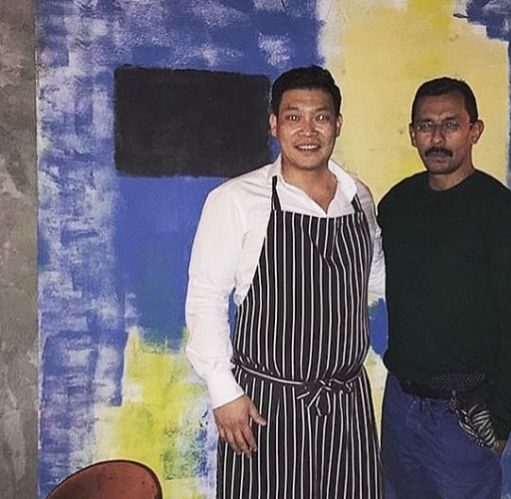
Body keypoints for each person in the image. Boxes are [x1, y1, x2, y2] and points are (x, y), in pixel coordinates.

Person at [185, 66, 384, 499]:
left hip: (347, 405)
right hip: (264, 410)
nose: (308, 131)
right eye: (294, 117)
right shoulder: (236, 200)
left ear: (337, 124)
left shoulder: (359, 198)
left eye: (321, 117)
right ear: (274, 124)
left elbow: (375, 277)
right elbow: (205, 298)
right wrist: (223, 391)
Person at [378, 76, 511, 499]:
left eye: (450, 124)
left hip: (465, 414)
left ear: (474, 130)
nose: (437, 138)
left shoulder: (503, 215)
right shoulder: (396, 205)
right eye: (426, 125)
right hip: (400, 403)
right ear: (412, 133)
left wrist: (500, 417)